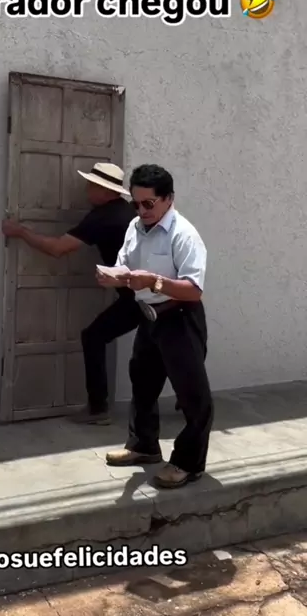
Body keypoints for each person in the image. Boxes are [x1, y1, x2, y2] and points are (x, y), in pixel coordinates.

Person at [96, 163, 213, 489]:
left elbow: (194, 289)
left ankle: (188, 463)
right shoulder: (135, 227)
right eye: (136, 203)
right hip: (149, 317)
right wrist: (114, 276)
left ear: (168, 199)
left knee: (193, 396)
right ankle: (144, 446)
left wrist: (155, 282)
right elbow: (124, 264)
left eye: (149, 203)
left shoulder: (184, 234)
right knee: (143, 383)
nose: (142, 210)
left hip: (180, 316)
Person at [2, 162, 142, 424]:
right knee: (162, 345)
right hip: (149, 293)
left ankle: (98, 409)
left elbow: (58, 248)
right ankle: (189, 399)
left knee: (94, 337)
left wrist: (20, 231)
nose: (87, 190)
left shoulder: (102, 217)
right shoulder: (127, 211)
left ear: (105, 190)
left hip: (137, 297)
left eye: (91, 186)